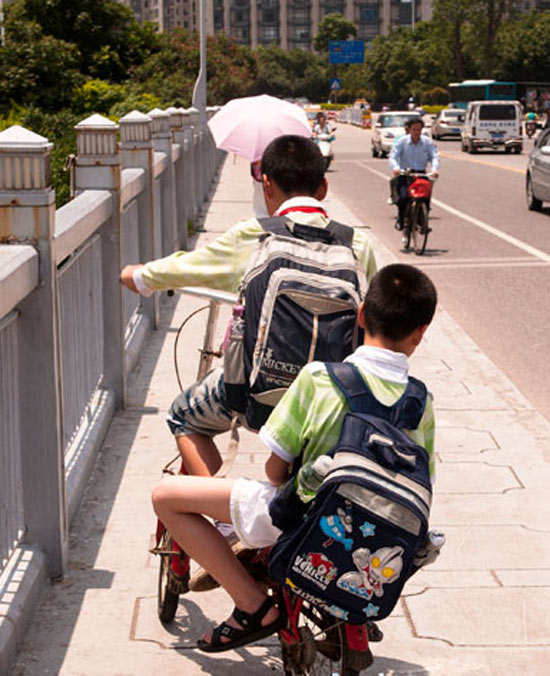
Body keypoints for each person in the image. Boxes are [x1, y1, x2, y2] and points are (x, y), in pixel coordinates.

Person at [152, 263, 438, 653]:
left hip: (298, 521)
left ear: (360, 314)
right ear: (420, 333)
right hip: (374, 535)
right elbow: (424, 480)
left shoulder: (320, 378)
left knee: (166, 497)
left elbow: (274, 471)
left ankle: (252, 606)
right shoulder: (420, 401)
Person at [120, 135, 377, 481]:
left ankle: (221, 515)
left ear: (266, 184)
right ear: (323, 187)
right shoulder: (356, 243)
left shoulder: (253, 237)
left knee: (183, 416)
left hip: (259, 398)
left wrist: (139, 276)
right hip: (334, 402)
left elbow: (189, 267)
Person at [389, 118, 440, 234]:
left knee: (425, 198)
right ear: (409, 130)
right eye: (414, 129)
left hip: (421, 174)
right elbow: (393, 156)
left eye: (419, 129)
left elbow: (434, 156)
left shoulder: (427, 142)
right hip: (405, 174)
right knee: (402, 198)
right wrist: (396, 168)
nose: (416, 132)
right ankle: (401, 219)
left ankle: (423, 223)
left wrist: (434, 169)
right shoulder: (402, 142)